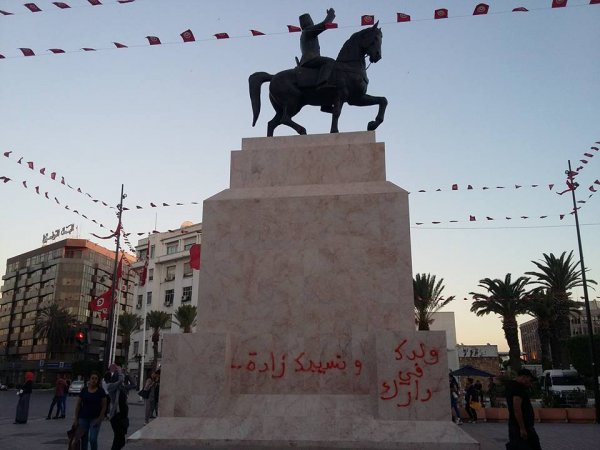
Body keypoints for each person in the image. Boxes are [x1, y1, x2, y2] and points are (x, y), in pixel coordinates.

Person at [297, 8, 336, 89]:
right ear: (309, 22)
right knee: (330, 62)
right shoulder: (308, 31)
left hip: (309, 59)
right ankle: (322, 83)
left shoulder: (306, 33)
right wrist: (331, 15)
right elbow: (325, 24)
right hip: (310, 59)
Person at [506, 368, 542, 450]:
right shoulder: (517, 388)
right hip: (521, 426)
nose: (530, 383)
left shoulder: (513, 386)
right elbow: (517, 409)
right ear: (524, 377)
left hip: (517, 425)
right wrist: (522, 428)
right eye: (530, 380)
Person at [73, 371, 107, 450]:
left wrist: (100, 419)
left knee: (93, 439)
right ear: (89, 379)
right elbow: (78, 405)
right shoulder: (84, 390)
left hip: (95, 418)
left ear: (98, 380)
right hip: (83, 418)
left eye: (96, 378)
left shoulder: (100, 391)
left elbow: (104, 406)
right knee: (83, 439)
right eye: (92, 378)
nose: (94, 380)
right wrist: (75, 418)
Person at [105, 365, 134, 450]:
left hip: (124, 416)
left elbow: (133, 384)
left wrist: (127, 374)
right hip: (115, 416)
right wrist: (121, 372)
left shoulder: (123, 388)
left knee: (121, 440)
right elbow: (121, 380)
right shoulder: (111, 387)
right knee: (118, 438)